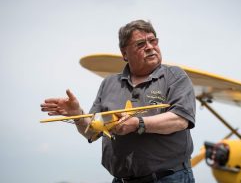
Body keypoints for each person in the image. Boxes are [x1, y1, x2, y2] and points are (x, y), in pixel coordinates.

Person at [41, 20, 196, 183]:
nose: (150, 47)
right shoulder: (109, 83)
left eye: (153, 40)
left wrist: (137, 123)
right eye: (141, 43)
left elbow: (180, 120)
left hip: (168, 178)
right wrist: (77, 114)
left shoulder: (175, 76)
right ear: (124, 54)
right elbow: (91, 131)